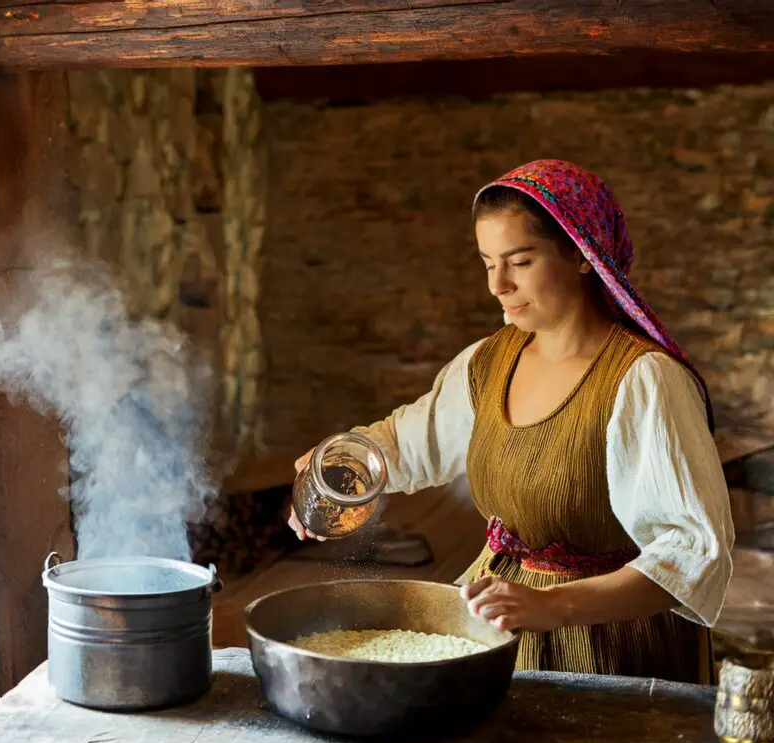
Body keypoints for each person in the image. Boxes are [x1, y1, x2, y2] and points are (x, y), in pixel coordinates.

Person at [288, 159, 734, 684]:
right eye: (487, 262)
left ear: (581, 255)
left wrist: (556, 606)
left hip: (611, 643)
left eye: (519, 261)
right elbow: (407, 446)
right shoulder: (487, 362)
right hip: (497, 624)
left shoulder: (643, 380)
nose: (497, 284)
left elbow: (691, 555)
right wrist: (340, 467)